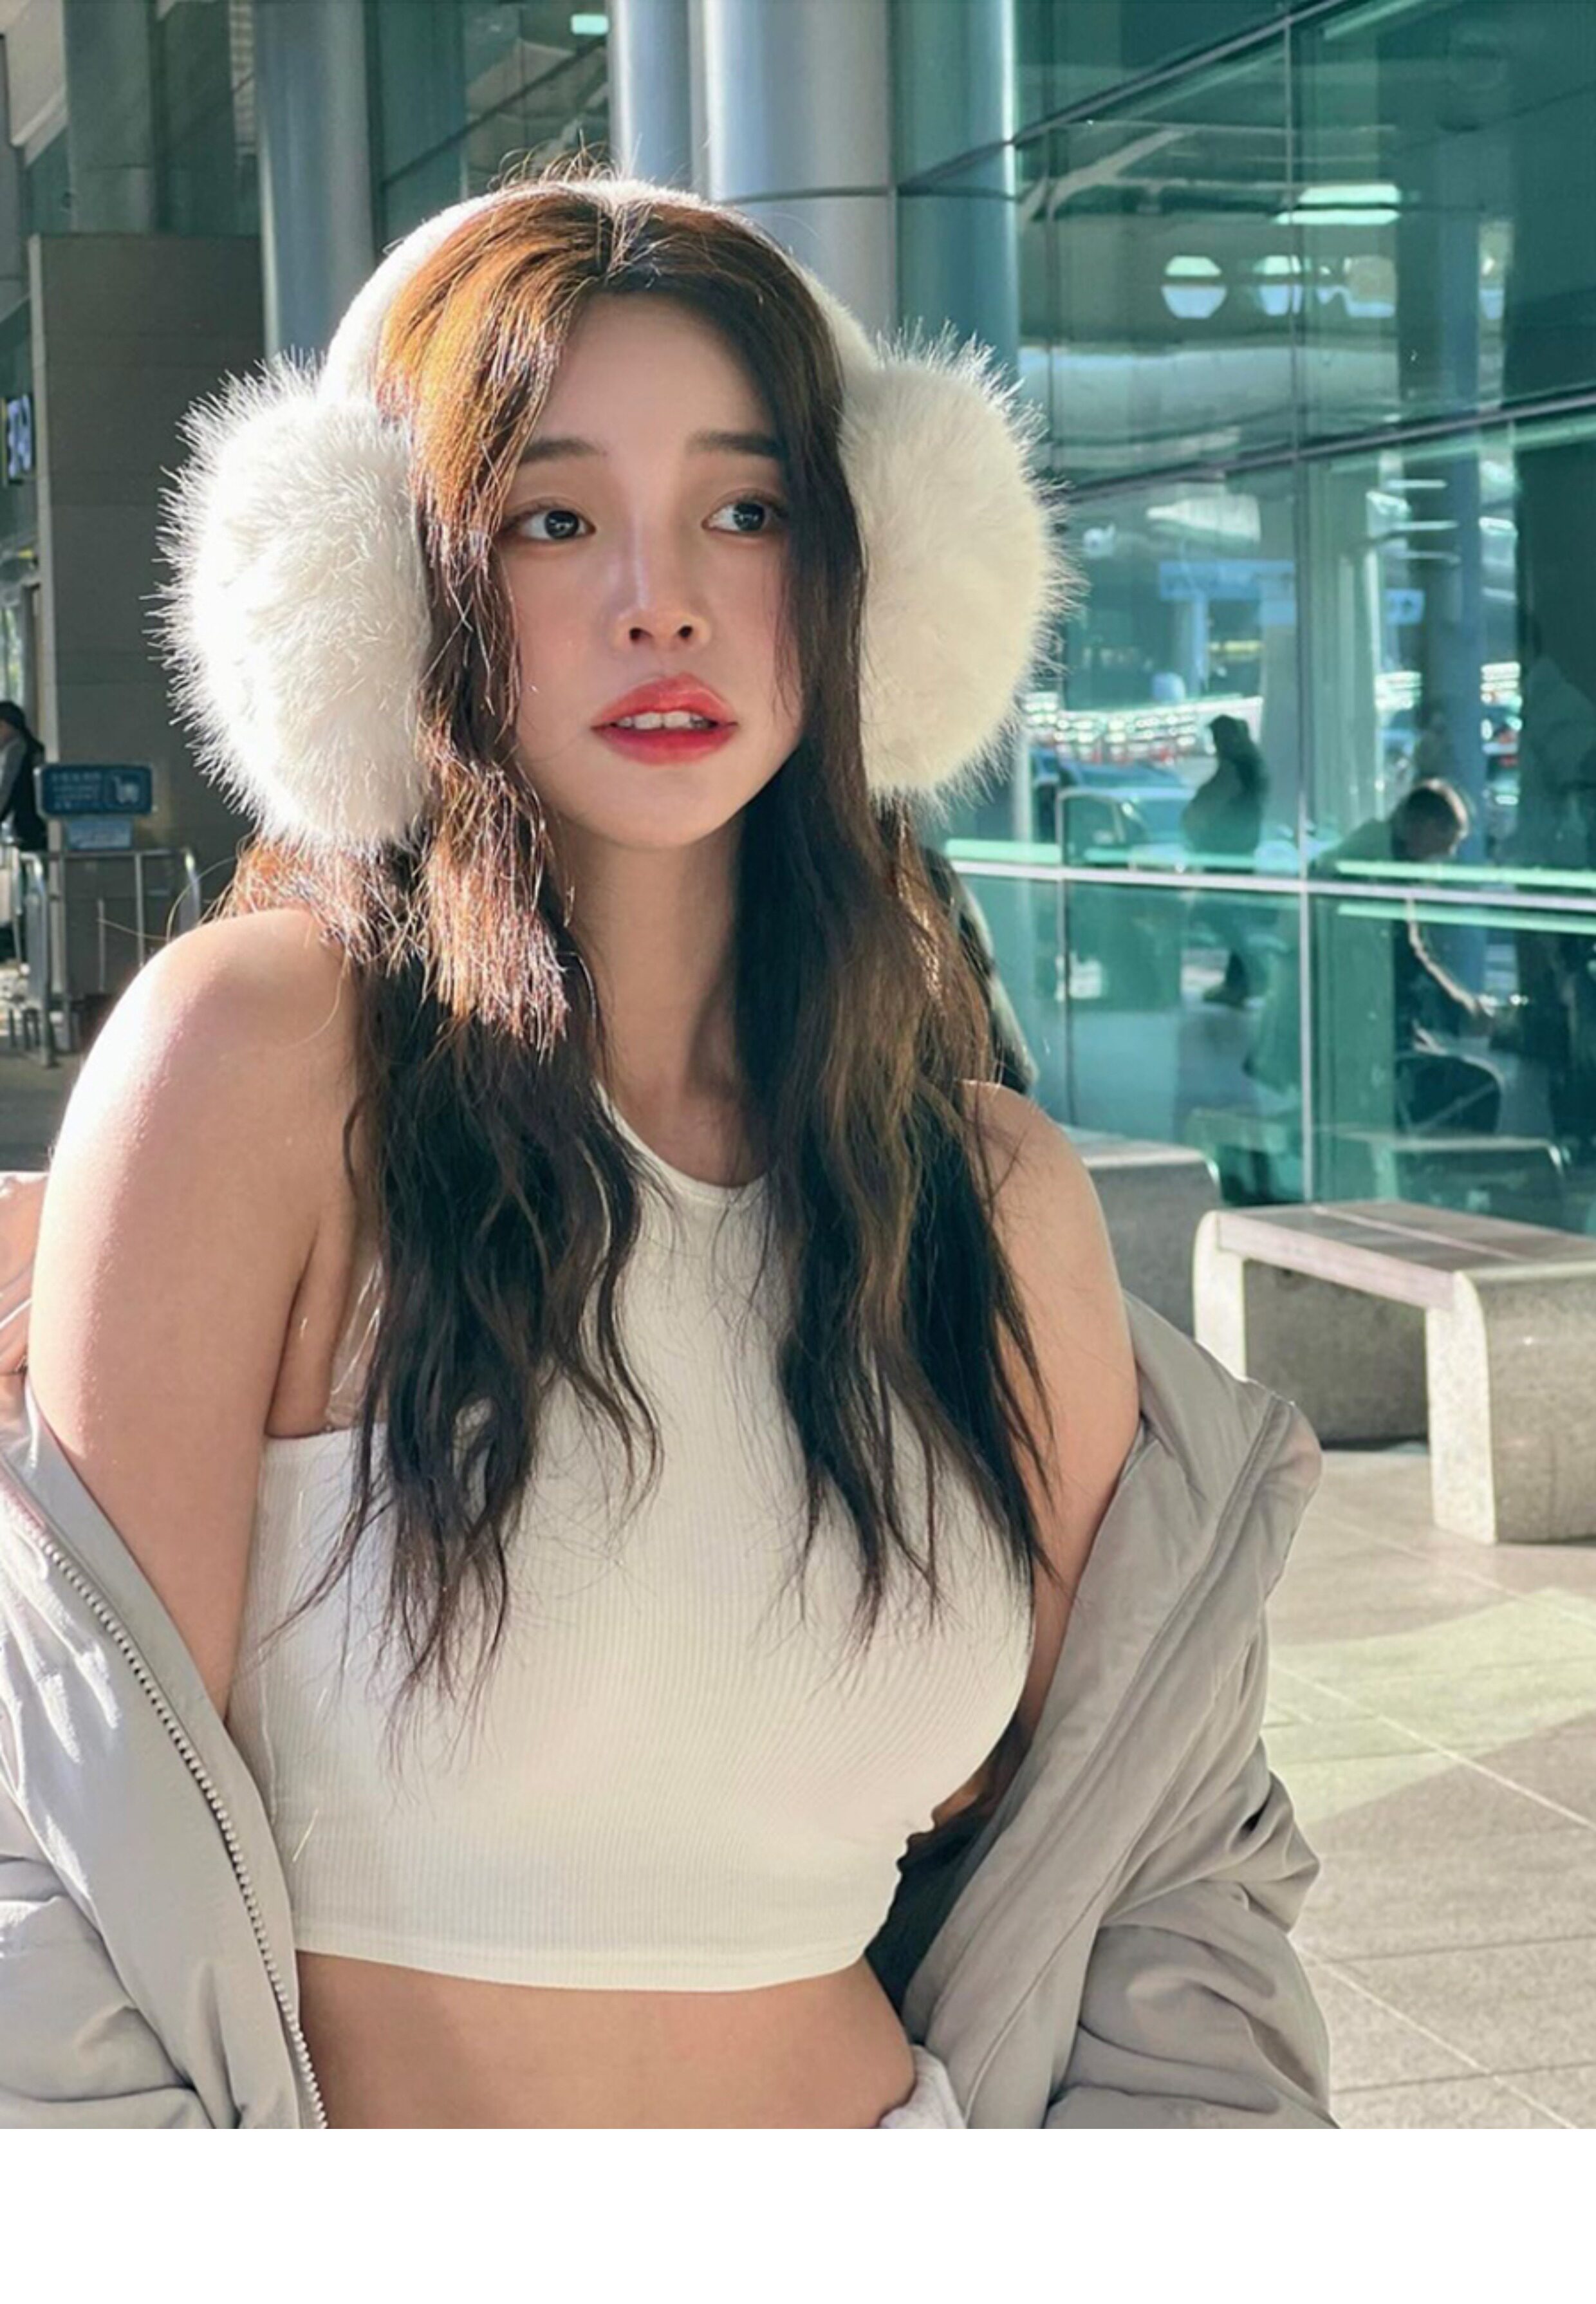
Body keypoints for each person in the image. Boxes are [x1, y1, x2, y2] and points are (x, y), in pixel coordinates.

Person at [0, 163, 1332, 2128]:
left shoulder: (981, 1191)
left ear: (868, 569)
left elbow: (1161, 1862)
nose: (664, 597)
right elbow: (56, 1874)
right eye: (552, 517)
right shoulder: (257, 1061)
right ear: (389, 591)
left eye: (747, 507)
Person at [918, 841, 1039, 1095]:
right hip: (971, 1073)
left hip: (960, 1071)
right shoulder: (926, 868)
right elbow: (983, 971)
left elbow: (981, 971)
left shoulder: (926, 871)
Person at [1182, 712, 1268, 1007]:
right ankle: (1240, 980)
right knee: (1228, 917)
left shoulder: (1235, 771)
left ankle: (1252, 973)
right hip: (1234, 856)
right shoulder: (1251, 770)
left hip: (1226, 858)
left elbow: (1208, 804)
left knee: (1217, 913)